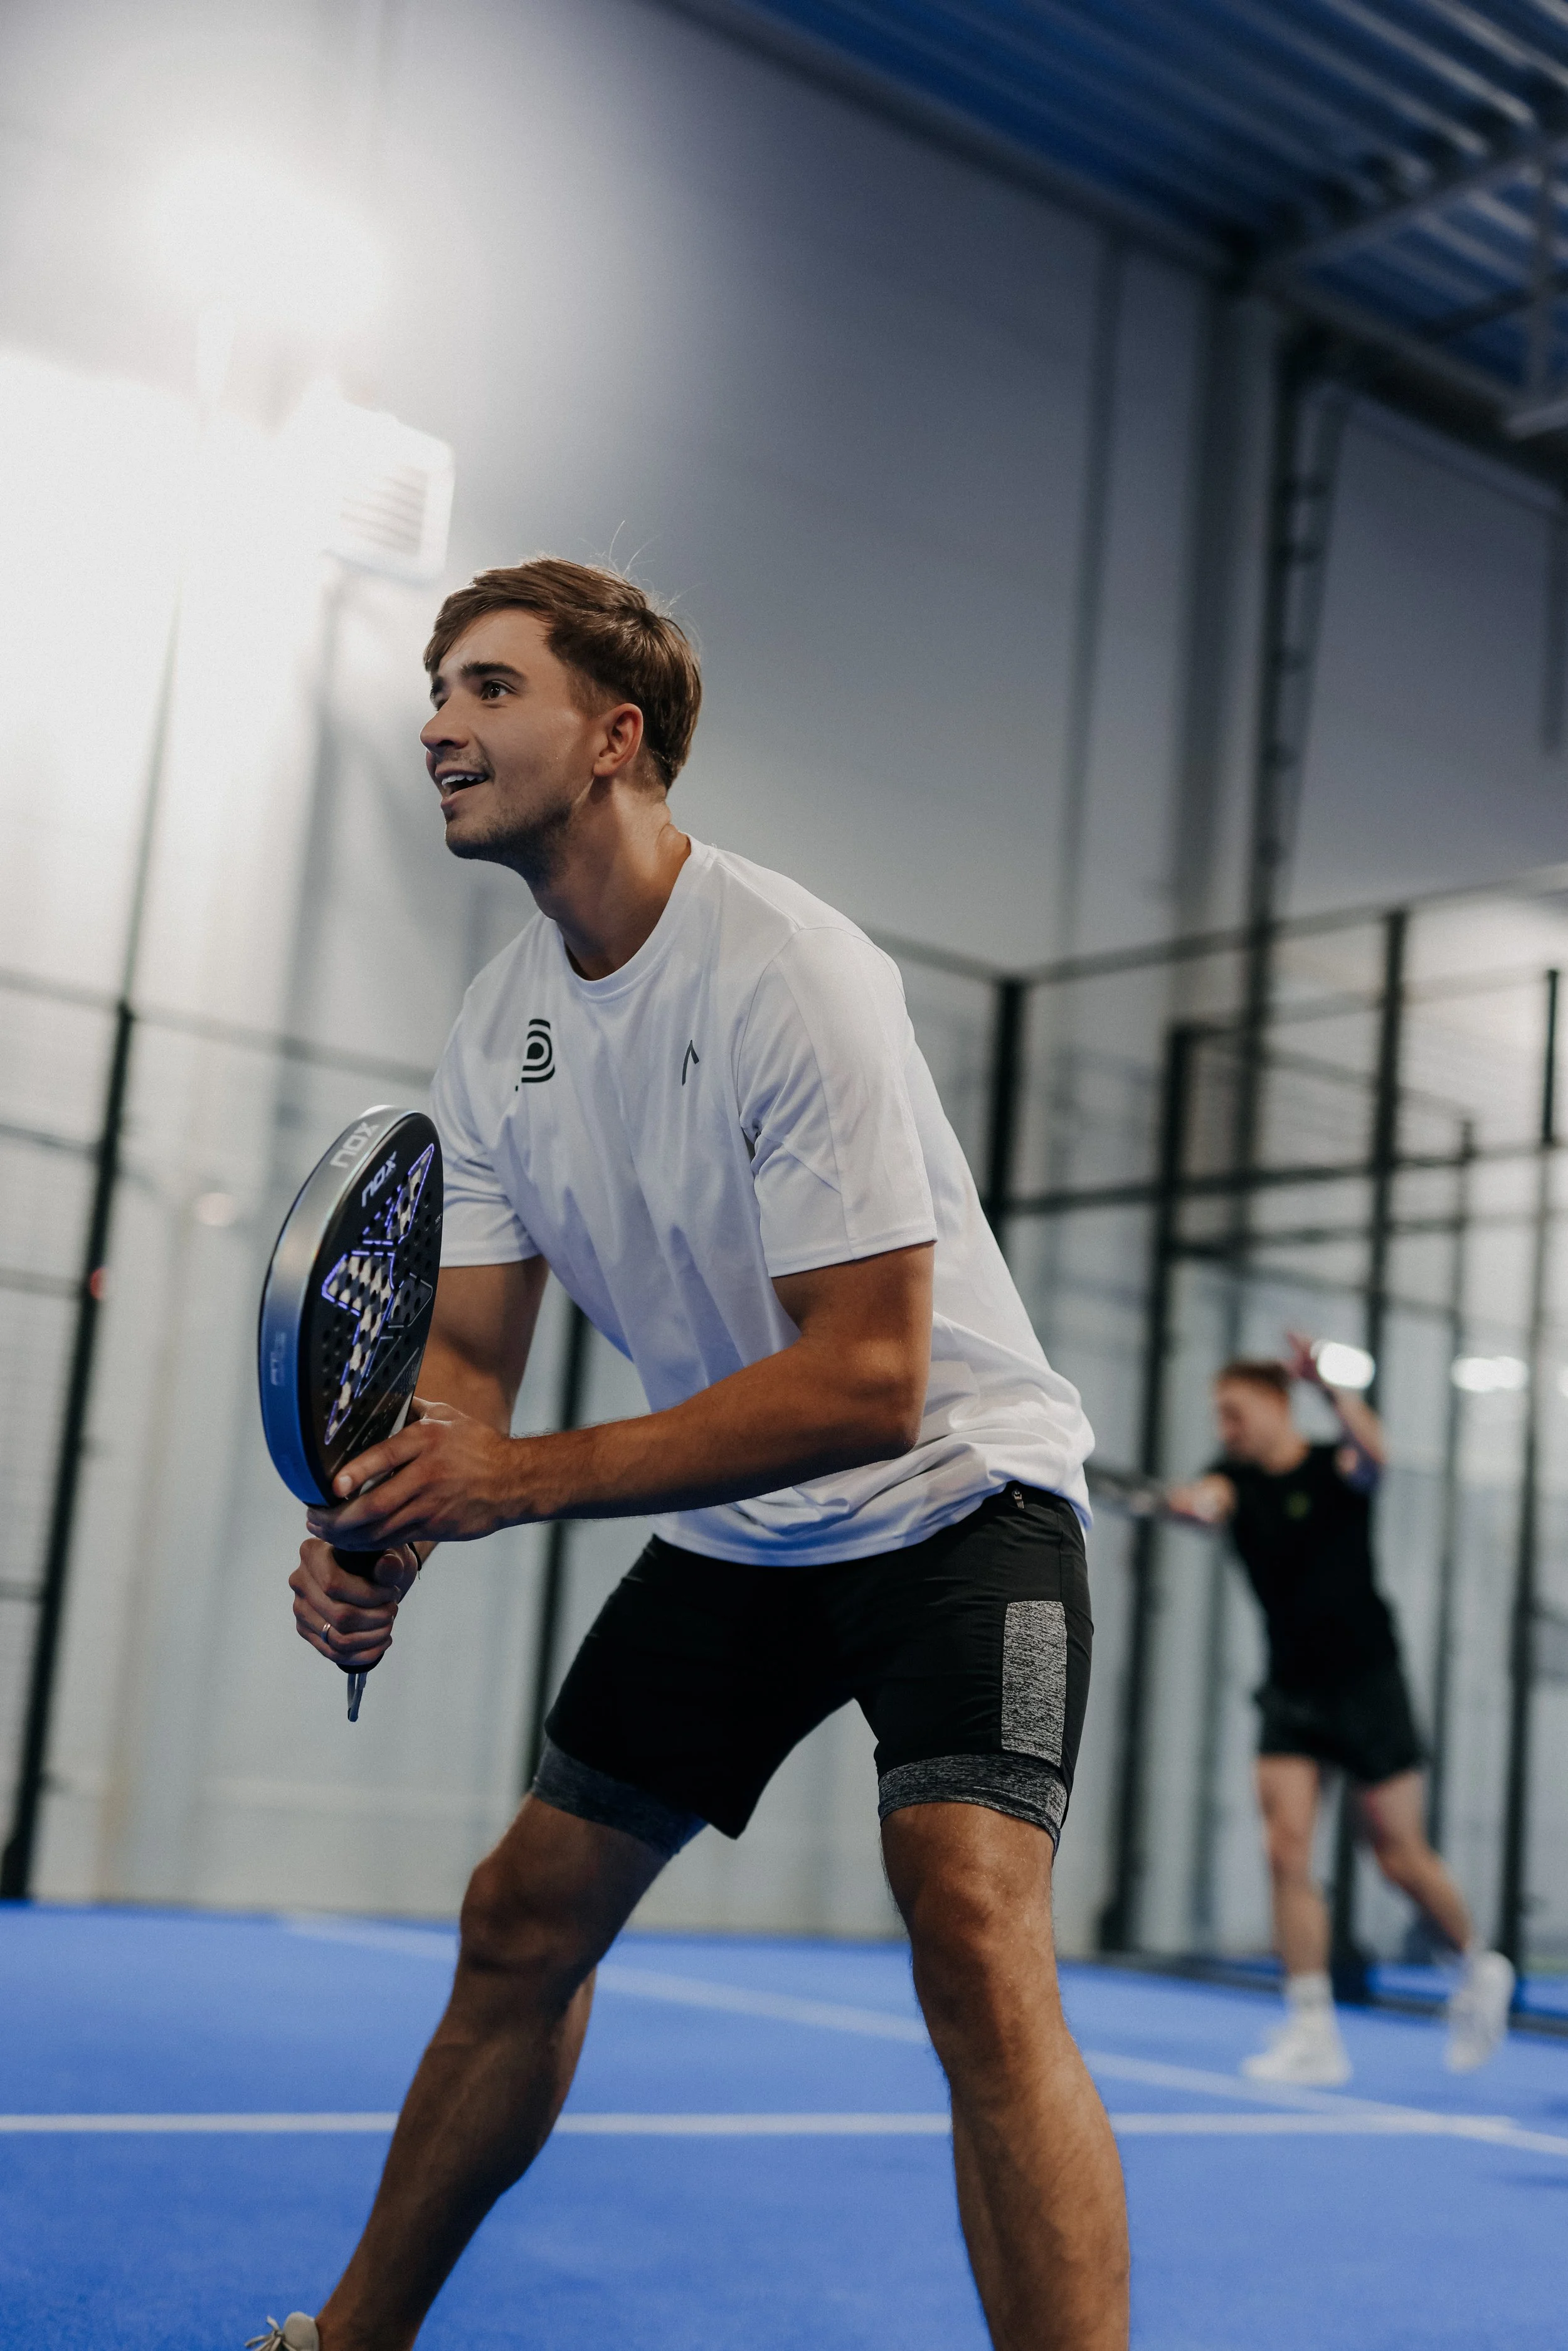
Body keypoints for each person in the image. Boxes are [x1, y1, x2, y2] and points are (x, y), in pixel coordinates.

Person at [250, 559, 1129, 2351]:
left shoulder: (788, 966)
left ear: (613, 735)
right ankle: (346, 2339)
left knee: (969, 1920)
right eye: (439, 691)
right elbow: (472, 1384)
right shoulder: (499, 1033)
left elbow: (868, 1383)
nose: (437, 724)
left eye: (489, 689)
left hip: (957, 1499)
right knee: (520, 1918)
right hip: (744, 1535)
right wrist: (395, 1525)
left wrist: (514, 1479)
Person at [1165, 1340, 1514, 2087]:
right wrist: (1192, 1506)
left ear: (1276, 1405)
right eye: (1217, 1415)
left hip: (1367, 1683)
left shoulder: (1335, 1465)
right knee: (1284, 1849)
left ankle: (1479, 1965)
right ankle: (1312, 2028)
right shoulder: (1229, 1476)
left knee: (1397, 1856)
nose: (1224, 1427)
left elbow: (1375, 1454)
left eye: (1234, 1412)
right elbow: (1208, 1503)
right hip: (1290, 1687)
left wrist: (1329, 1385)